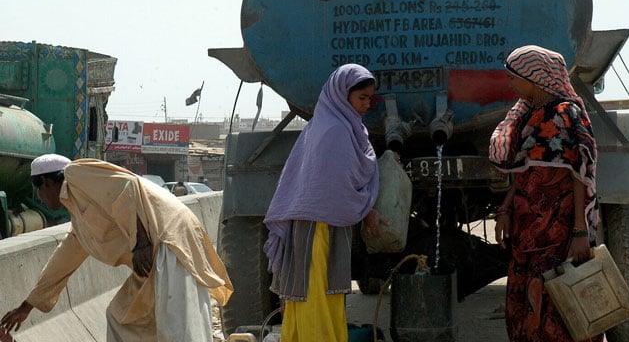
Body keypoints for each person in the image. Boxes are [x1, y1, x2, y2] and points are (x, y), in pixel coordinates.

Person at [0, 154, 233, 341]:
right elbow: (62, 262)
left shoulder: (77, 174)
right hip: (150, 254)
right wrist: (27, 305)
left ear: (47, 182)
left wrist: (142, 241)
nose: (39, 197)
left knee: (179, 328)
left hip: (167, 241)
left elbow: (128, 186)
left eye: (37, 189)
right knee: (122, 318)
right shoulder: (79, 220)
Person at [263, 64, 386, 342]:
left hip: (324, 224)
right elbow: (336, 188)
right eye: (361, 98)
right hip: (317, 228)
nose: (366, 105)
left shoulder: (332, 125)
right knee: (315, 294)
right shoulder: (335, 131)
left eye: (369, 99)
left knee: (321, 295)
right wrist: (366, 211)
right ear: (343, 95)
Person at [489, 45, 602, 342]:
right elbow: (522, 172)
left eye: (515, 77)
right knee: (525, 309)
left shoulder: (567, 114)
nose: (510, 83)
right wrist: (505, 209)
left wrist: (579, 231)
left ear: (535, 77)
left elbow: (579, 174)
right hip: (526, 232)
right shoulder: (526, 115)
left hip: (558, 233)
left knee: (557, 311)